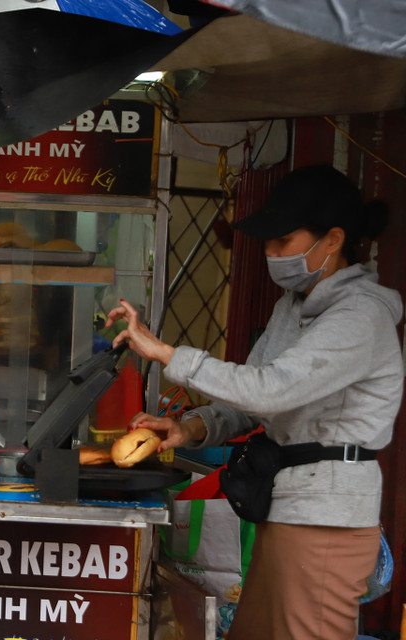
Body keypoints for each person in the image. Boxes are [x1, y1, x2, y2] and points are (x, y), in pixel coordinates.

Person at [106, 164, 402, 640]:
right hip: (286, 507)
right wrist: (190, 428)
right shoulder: (293, 306)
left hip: (326, 519)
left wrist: (166, 353)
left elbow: (271, 388)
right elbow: (252, 402)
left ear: (332, 240)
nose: (269, 252)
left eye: (282, 240)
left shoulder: (361, 316)